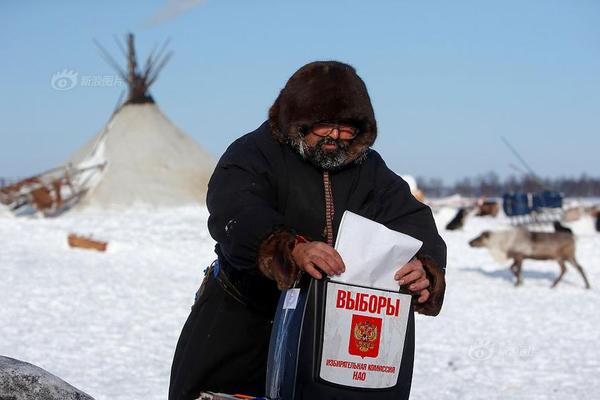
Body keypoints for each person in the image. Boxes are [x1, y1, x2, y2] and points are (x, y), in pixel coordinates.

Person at [169, 61, 447, 400]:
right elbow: (236, 209)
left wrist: (424, 265)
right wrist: (290, 249)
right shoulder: (253, 153)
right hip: (244, 321)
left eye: (348, 127)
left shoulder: (369, 169)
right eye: (325, 124)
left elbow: (410, 217)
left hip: (329, 331)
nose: (336, 135)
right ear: (298, 119)